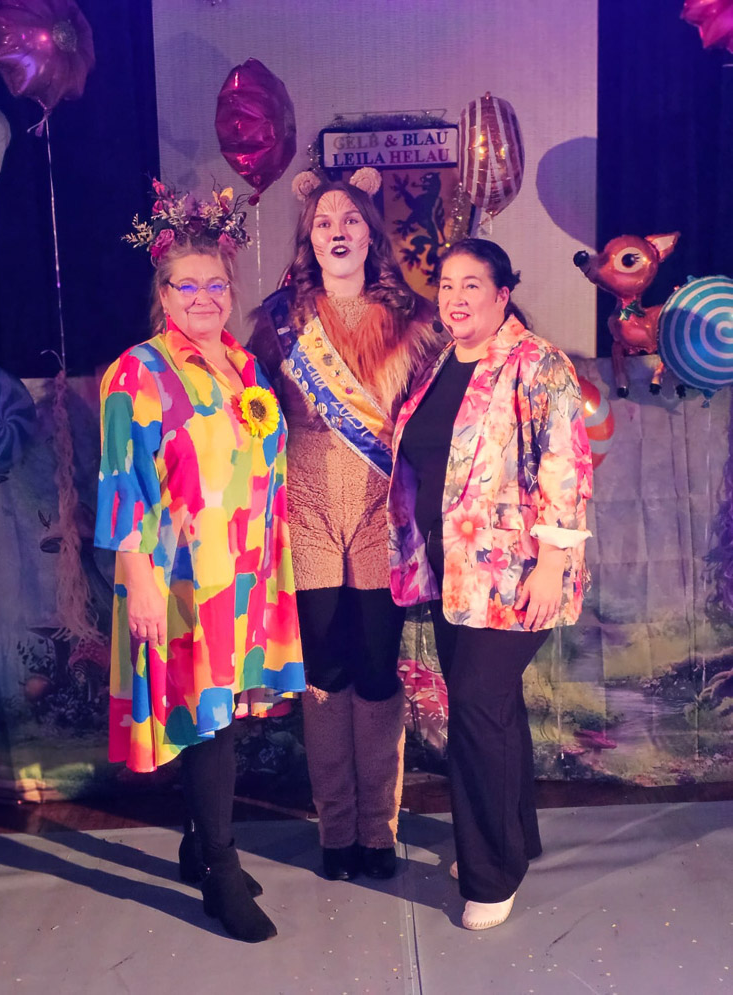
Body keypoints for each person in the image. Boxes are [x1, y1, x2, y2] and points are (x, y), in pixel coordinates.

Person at [94, 181, 304, 943]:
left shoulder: (245, 365)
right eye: (187, 285)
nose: (204, 297)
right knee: (207, 724)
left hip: (244, 574)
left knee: (225, 716)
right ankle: (221, 867)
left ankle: (195, 842)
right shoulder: (138, 372)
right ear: (163, 294)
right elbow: (122, 482)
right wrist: (139, 579)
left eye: (215, 283)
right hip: (180, 576)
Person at [387, 238, 593, 930]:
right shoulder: (441, 363)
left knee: (477, 707)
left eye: (472, 284)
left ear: (503, 294)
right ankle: (516, 838)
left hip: (518, 574)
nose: (456, 298)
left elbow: (566, 466)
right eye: (447, 284)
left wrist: (553, 564)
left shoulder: (538, 363)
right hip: (456, 573)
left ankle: (492, 872)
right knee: (492, 707)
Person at [248, 167, 440, 881]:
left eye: (351, 219)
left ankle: (377, 831)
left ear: (370, 234)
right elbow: (248, 412)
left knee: (376, 670)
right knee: (326, 670)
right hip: (306, 512)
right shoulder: (278, 323)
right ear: (308, 237)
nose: (337, 231)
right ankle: (335, 830)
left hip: (380, 515)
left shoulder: (415, 320)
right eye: (324, 221)